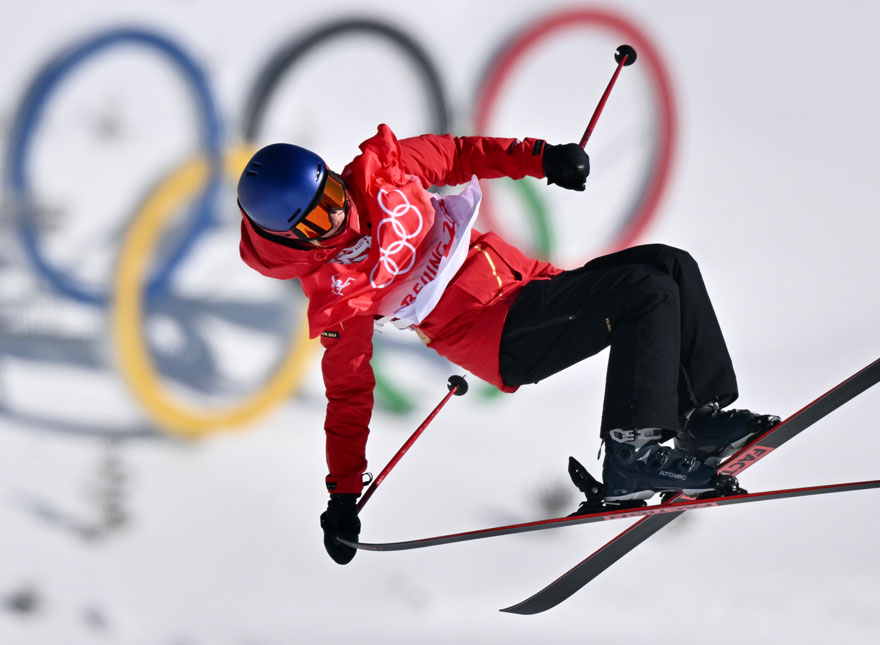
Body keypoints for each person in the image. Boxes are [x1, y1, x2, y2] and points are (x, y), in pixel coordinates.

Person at [236, 124, 778, 565]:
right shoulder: (340, 292)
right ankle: (629, 455)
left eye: (332, 193)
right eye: (317, 219)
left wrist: (543, 158)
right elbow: (348, 395)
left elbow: (460, 154)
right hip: (498, 335)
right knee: (646, 292)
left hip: (532, 288)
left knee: (669, 264)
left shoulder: (383, 170)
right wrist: (342, 494)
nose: (339, 214)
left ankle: (697, 420)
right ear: (292, 237)